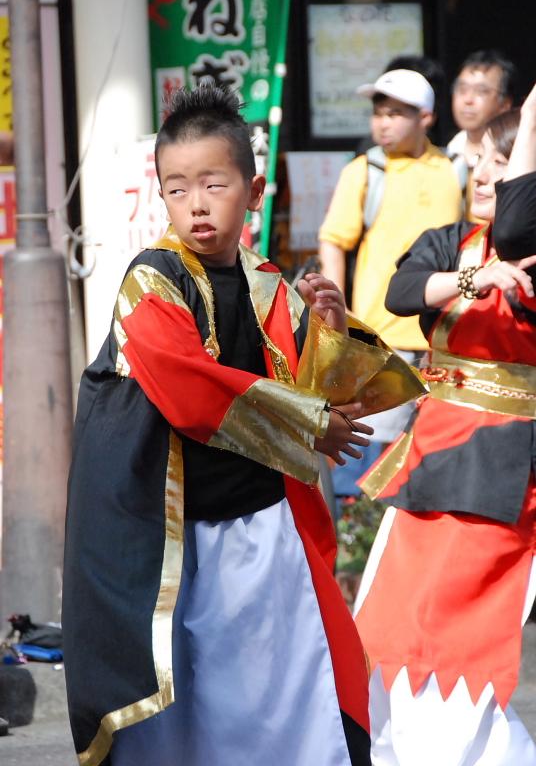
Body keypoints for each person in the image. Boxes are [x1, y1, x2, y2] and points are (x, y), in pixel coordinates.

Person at [62, 82, 375, 766]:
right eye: (177, 188)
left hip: (263, 531)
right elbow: (190, 389)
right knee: (181, 724)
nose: (196, 203)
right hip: (174, 545)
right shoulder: (152, 279)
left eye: (213, 183)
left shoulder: (267, 280)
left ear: (253, 190)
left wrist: (328, 328)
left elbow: (316, 389)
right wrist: (310, 422)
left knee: (281, 706)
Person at [354, 86, 536, 765]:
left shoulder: (528, 249)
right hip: (429, 457)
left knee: (456, 657)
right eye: (482, 159)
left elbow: (517, 227)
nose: (486, 173)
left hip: (499, 469)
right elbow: (401, 292)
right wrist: (472, 279)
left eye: (505, 160)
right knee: (389, 635)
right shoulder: (450, 242)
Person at [319, 68, 462, 462]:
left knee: (435, 455)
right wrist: (341, 312)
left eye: (397, 113)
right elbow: (333, 240)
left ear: (426, 118)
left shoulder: (457, 168)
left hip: (447, 339)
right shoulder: (365, 171)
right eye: (379, 112)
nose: (383, 122)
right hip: (379, 340)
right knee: (370, 453)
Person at [447, 49, 516, 220]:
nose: (468, 99)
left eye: (481, 91)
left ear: (505, 103)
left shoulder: (519, 158)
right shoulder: (441, 157)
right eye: (461, 89)